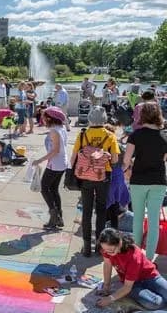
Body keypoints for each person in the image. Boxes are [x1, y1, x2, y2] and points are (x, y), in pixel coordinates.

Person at [70, 106, 119, 257]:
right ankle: (99, 245)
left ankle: (86, 247)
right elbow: (115, 159)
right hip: (103, 177)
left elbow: (74, 157)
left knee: (86, 210)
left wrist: (71, 173)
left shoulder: (83, 134)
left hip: (85, 177)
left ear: (90, 118)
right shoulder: (110, 135)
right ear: (104, 119)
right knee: (101, 210)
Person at [123, 102, 167, 259]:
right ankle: (148, 259)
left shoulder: (135, 135)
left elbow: (126, 160)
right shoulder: (165, 135)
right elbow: (163, 159)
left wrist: (126, 171)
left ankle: (137, 257)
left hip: (139, 180)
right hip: (159, 181)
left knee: (138, 220)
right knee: (154, 222)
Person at [97, 228, 167, 310]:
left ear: (120, 243)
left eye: (111, 251)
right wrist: (106, 286)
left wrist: (110, 299)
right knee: (156, 304)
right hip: (133, 284)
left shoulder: (133, 257)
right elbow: (107, 264)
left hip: (150, 276)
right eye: (105, 250)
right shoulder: (106, 249)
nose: (107, 253)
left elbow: (126, 288)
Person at [32, 107, 69, 230]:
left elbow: (56, 150)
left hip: (56, 164)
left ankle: (54, 216)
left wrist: (40, 160)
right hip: (61, 163)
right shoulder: (61, 128)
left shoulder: (54, 131)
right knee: (53, 189)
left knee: (44, 188)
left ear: (49, 118)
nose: (42, 119)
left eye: (43, 117)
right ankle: (59, 217)